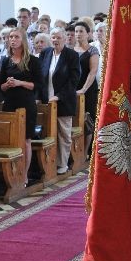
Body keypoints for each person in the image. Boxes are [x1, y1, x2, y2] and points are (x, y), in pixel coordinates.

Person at [0, 28, 44, 185]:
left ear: (22, 40)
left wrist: (19, 83)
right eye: (10, 37)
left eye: (16, 37)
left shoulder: (33, 61)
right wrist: (7, 84)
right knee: (10, 140)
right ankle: (12, 173)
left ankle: (24, 175)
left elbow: (38, 85)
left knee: (25, 140)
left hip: (26, 104)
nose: (12, 39)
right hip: (10, 102)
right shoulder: (6, 60)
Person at [39, 27, 80, 174]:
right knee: (47, 133)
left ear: (64, 39)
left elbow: (73, 80)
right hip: (46, 101)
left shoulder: (72, 55)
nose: (55, 40)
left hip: (63, 101)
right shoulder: (45, 53)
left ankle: (62, 164)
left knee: (63, 134)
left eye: (58, 37)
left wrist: (59, 96)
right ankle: (47, 165)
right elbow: (40, 76)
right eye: (53, 37)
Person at [74, 21, 99, 159]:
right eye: (76, 31)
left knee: (87, 119)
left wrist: (84, 89)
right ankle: (75, 152)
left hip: (88, 89)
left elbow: (93, 71)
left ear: (88, 33)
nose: (78, 34)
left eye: (81, 31)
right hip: (73, 88)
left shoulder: (92, 50)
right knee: (75, 119)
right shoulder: (70, 50)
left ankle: (86, 152)